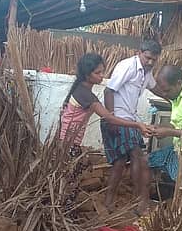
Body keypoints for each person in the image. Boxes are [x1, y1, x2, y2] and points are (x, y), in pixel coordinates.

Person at [58, 53, 152, 215]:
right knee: (70, 183)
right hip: (69, 144)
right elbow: (109, 117)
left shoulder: (81, 90)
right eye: (98, 73)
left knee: (68, 180)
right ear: (87, 74)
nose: (102, 76)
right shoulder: (86, 95)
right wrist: (137, 124)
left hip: (65, 143)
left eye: (102, 71)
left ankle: (63, 213)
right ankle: (64, 215)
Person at [102, 40, 161, 213]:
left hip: (130, 119)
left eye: (154, 60)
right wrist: (111, 117)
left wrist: (175, 97)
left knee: (124, 160)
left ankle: (112, 201)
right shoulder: (127, 66)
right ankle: (136, 202)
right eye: (147, 58)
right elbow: (108, 91)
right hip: (118, 118)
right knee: (135, 157)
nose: (150, 62)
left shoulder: (147, 73)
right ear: (139, 53)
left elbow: (157, 89)